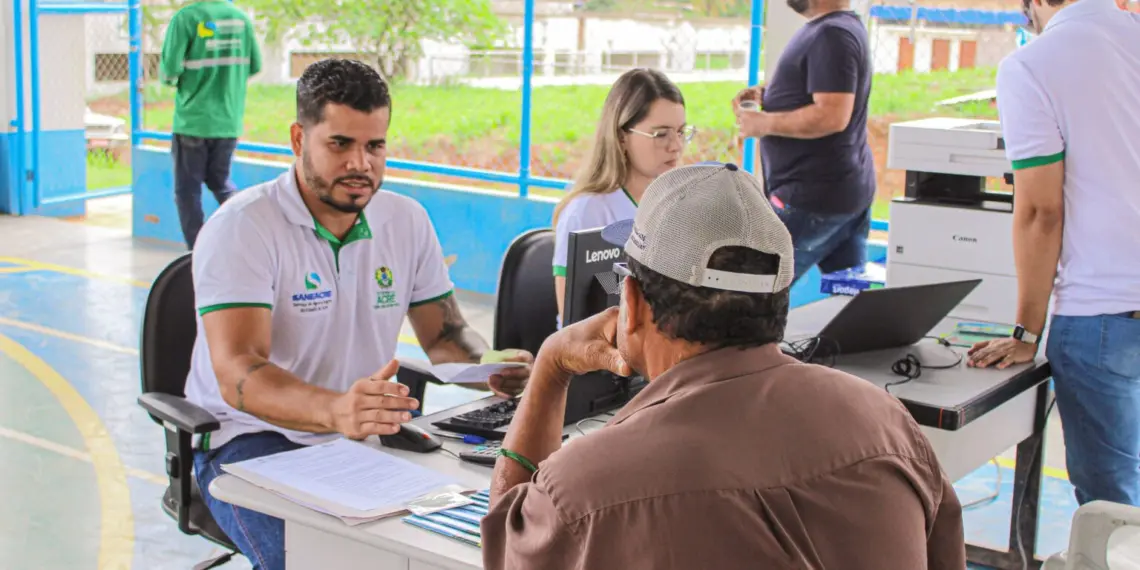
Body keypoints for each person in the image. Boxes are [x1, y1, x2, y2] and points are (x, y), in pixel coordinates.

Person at [481, 163, 965, 569]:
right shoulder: (887, 424)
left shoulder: (586, 485)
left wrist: (550, 368)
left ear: (633, 300)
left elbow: (509, 549)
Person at [184, 58, 533, 570]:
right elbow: (241, 374)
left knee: (461, 542)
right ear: (299, 139)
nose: (361, 164)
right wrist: (335, 411)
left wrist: (492, 368)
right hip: (247, 441)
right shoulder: (242, 227)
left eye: (375, 146)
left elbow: (446, 336)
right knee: (327, 562)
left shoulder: (405, 220)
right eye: (340, 144)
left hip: (358, 439)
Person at [967, 0, 1140, 507]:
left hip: (1103, 313)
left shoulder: (1033, 64)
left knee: (1113, 509)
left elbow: (1042, 211)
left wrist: (1025, 332)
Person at [732, 0, 875, 285]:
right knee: (846, 302)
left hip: (810, 200)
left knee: (750, 296)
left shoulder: (831, 35)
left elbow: (832, 115)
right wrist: (771, 95)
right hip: (840, 193)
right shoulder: (839, 29)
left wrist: (763, 123)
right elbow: (825, 96)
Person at [552, 68, 691, 323]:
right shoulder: (588, 211)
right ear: (621, 136)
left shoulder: (678, 204)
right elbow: (574, 325)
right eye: (661, 134)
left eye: (681, 132)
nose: (676, 146)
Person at [160, 0, 262, 249]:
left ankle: (197, 250)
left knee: (187, 191)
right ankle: (254, 234)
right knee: (220, 182)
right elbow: (255, 66)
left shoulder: (186, 18)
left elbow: (169, 72)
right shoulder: (240, 19)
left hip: (193, 121)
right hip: (228, 121)